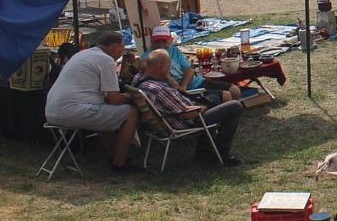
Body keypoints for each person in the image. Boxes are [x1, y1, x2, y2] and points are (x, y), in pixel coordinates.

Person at [44, 31, 139, 171]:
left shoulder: (83, 54)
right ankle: (120, 163)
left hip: (52, 111)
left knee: (104, 110)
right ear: (115, 46)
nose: (122, 52)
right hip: (71, 111)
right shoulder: (105, 60)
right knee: (131, 112)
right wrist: (132, 97)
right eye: (122, 47)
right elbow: (114, 99)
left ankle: (114, 154)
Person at [136, 49, 244, 166]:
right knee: (235, 106)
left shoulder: (140, 79)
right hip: (187, 122)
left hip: (169, 118)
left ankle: (204, 150)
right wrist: (203, 107)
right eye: (168, 67)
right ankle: (220, 154)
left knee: (215, 97)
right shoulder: (159, 90)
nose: (169, 70)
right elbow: (190, 114)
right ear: (161, 68)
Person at [145, 24, 239, 104]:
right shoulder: (149, 57)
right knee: (226, 96)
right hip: (179, 92)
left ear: (170, 40)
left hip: (192, 83)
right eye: (157, 42)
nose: (161, 45)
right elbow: (157, 77)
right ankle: (221, 115)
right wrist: (180, 89)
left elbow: (189, 70)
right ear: (152, 41)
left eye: (164, 41)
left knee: (235, 90)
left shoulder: (174, 50)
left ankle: (226, 112)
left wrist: (183, 87)